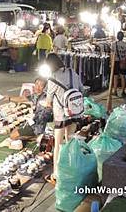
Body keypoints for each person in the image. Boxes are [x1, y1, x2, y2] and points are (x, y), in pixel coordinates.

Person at [44, 53, 84, 184]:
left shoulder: (52, 78)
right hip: (75, 112)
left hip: (61, 114)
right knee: (71, 141)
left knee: (58, 144)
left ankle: (56, 174)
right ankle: (72, 169)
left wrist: (46, 103)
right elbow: (81, 89)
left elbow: (48, 102)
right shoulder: (73, 72)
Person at [112, 32, 126, 98]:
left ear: (117, 37)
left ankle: (115, 91)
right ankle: (123, 91)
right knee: (123, 76)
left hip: (116, 61)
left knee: (115, 77)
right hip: (123, 62)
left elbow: (112, 54)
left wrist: (111, 63)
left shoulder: (113, 44)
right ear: (123, 37)